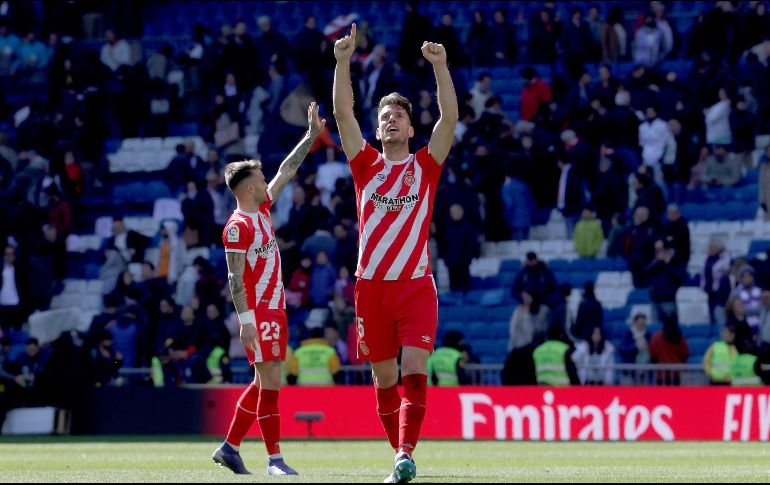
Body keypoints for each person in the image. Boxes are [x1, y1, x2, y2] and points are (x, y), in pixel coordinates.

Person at [333, 24, 458, 483]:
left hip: (415, 288)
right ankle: (401, 455)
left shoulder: (425, 166)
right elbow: (343, 115)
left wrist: (440, 68)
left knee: (414, 369)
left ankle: (404, 452)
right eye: (384, 115)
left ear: (410, 127)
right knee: (384, 382)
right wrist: (343, 62)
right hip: (370, 290)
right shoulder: (364, 164)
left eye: (398, 116)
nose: (389, 120)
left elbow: (449, 120)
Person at [211, 102, 325, 476]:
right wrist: (245, 321)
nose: (267, 182)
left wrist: (310, 137)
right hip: (258, 312)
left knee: (263, 382)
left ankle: (229, 447)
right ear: (247, 188)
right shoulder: (237, 227)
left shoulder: (260, 210)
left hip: (274, 308)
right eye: (260, 180)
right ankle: (275, 459)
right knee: (272, 382)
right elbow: (233, 277)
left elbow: (287, 170)